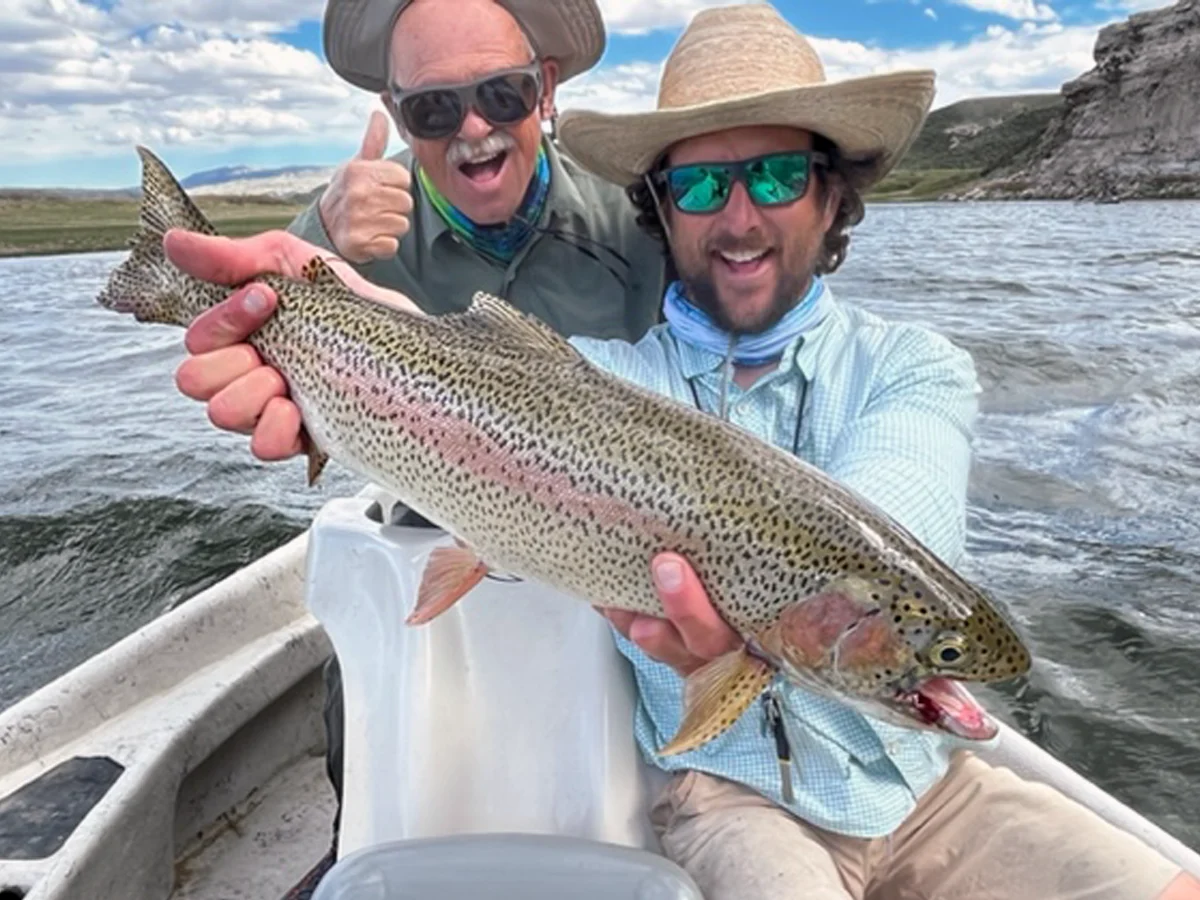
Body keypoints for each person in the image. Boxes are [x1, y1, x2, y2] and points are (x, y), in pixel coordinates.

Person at [166, 5, 1199, 900]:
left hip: (926, 786)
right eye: (702, 189)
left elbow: (892, 525)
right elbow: (466, 378)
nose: (740, 216)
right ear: (660, 210)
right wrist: (315, 303)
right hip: (727, 797)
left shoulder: (914, 370)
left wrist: (828, 621)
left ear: (835, 195)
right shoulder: (618, 377)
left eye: (779, 176)